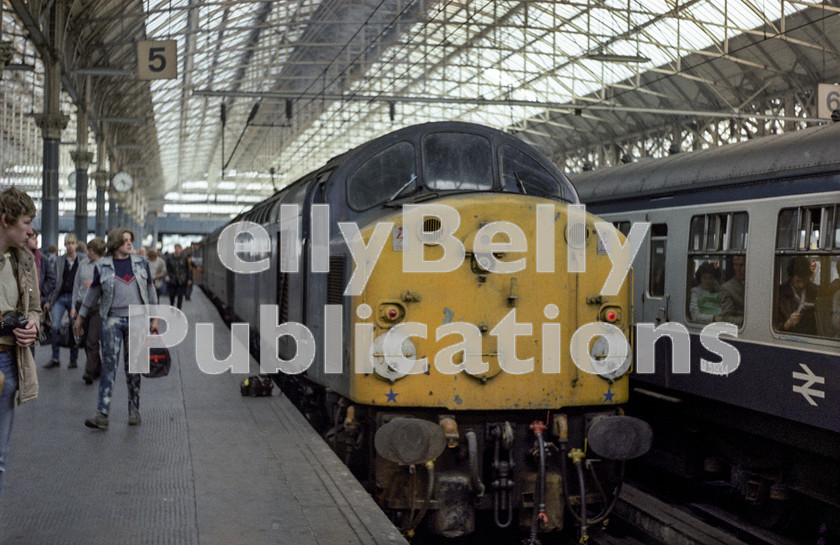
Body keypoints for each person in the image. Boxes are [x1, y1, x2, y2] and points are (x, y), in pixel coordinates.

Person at [74, 228, 158, 429]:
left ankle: (134, 410)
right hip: (111, 321)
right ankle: (102, 414)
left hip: (137, 320)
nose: (130, 244)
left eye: (130, 240)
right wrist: (80, 317)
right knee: (109, 368)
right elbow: (92, 294)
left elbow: (151, 290)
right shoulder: (103, 266)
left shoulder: (141, 263)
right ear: (114, 243)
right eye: (125, 240)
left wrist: (155, 318)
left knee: (134, 369)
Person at [0, 187, 40, 496]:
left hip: (8, 361)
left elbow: (36, 308)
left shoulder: (25, 261)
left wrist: (33, 325)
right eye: (25, 221)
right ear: (5, 220)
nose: (30, 230)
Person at [44, 233, 83, 369]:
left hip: (75, 297)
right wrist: (49, 300)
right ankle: (55, 358)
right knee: (54, 326)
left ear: (76, 245)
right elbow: (54, 281)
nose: (70, 246)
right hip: (60, 297)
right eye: (67, 243)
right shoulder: (59, 261)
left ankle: (73, 359)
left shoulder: (82, 260)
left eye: (72, 243)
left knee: (75, 327)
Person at [73, 237, 106, 385]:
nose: (88, 252)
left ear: (98, 252)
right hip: (81, 304)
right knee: (85, 340)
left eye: (91, 250)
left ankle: (89, 371)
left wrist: (94, 284)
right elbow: (76, 285)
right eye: (88, 249)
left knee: (93, 339)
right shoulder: (82, 264)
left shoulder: (105, 266)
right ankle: (97, 366)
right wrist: (73, 306)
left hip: (97, 306)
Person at [775, 256, 819, 335]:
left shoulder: (814, 290)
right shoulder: (780, 294)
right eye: (798, 281)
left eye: (805, 280)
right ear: (791, 277)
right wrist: (787, 324)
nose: (802, 285)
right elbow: (771, 327)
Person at [718, 255, 746, 327]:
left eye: (741, 265)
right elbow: (727, 317)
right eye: (736, 265)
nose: (738, 269)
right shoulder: (727, 288)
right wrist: (745, 321)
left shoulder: (754, 284)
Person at [165, 244, 192, 309]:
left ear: (181, 249)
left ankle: (179, 309)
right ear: (174, 249)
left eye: (179, 249)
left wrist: (189, 278)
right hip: (172, 279)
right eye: (176, 248)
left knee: (180, 295)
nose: (177, 250)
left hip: (182, 279)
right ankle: (172, 307)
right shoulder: (169, 257)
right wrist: (166, 275)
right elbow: (166, 268)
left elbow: (188, 268)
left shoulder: (184, 257)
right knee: (172, 295)